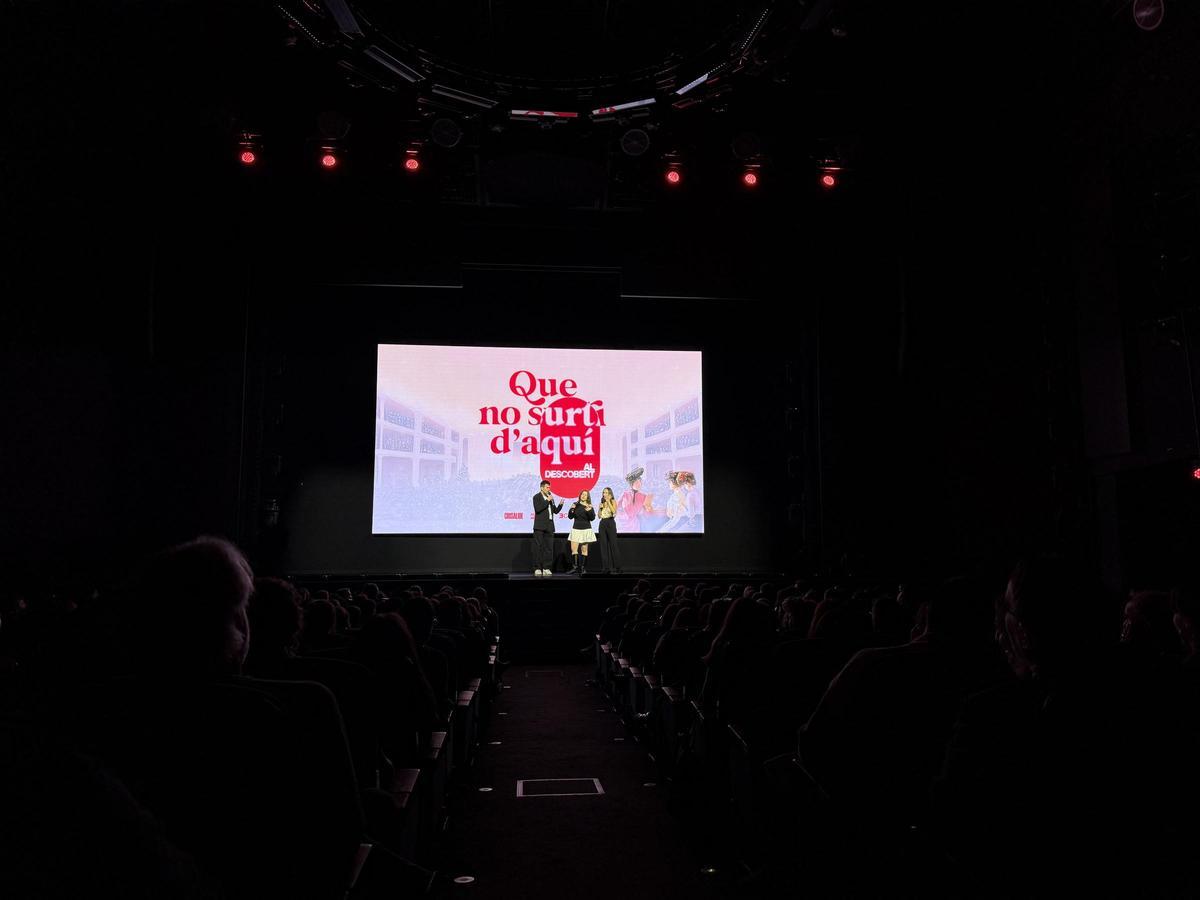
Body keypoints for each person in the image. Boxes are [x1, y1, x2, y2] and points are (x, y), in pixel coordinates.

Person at [531, 480, 562, 576]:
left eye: (549, 487)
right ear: (542, 487)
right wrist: (547, 500)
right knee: (538, 547)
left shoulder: (551, 498)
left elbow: (555, 511)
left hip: (550, 525)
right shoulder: (537, 497)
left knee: (549, 548)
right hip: (539, 526)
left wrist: (560, 505)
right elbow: (538, 509)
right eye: (547, 487)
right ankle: (537, 568)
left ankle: (546, 567)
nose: (549, 489)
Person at [616, 466, 655, 533]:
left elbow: (648, 510)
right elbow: (615, 506)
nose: (639, 484)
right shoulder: (625, 494)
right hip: (621, 524)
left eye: (640, 482)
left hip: (634, 525)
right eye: (637, 482)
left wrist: (649, 505)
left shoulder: (643, 496)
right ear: (632, 483)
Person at [567, 490, 597, 574]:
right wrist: (572, 509)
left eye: (585, 495)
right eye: (582, 494)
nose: (583, 496)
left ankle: (583, 568)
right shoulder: (575, 504)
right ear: (580, 495)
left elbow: (592, 518)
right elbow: (570, 516)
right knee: (574, 550)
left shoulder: (589, 506)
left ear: (588, 497)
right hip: (576, 529)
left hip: (586, 529)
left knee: (584, 550)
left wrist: (589, 510)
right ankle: (575, 567)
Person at [597, 486, 623, 574]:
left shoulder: (613, 501)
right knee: (603, 546)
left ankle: (618, 567)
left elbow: (614, 513)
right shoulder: (601, 503)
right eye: (604, 493)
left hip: (610, 522)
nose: (605, 494)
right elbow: (599, 516)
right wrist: (600, 508)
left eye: (606, 493)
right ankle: (606, 568)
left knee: (613, 545)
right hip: (602, 523)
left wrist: (609, 502)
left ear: (610, 494)